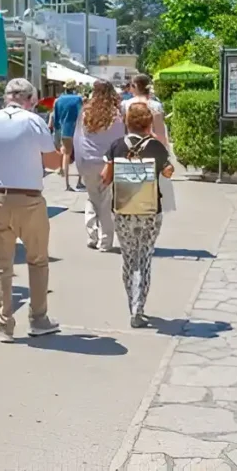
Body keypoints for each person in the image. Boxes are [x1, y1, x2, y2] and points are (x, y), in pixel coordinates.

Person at [0, 78, 60, 343]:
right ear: (30, 99)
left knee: (1, 266)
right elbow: (53, 163)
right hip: (29, 199)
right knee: (37, 260)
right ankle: (38, 318)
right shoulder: (33, 121)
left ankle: (5, 325)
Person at [101, 102, 174, 328]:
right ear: (148, 123)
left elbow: (105, 176)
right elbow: (168, 172)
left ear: (127, 122)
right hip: (150, 209)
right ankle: (138, 308)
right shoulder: (156, 146)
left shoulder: (116, 145)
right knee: (144, 258)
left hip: (123, 209)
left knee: (129, 258)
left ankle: (130, 303)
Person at [73, 80, 125, 252]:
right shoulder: (115, 114)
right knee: (106, 202)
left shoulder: (85, 112)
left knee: (92, 197)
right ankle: (105, 241)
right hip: (107, 162)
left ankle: (91, 235)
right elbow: (119, 141)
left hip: (87, 161)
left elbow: (77, 138)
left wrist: (79, 163)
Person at [49, 80, 84, 190]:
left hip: (64, 129)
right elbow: (82, 114)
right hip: (77, 129)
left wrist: (57, 129)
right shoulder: (78, 99)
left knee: (66, 154)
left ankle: (67, 184)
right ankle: (79, 181)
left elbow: (56, 116)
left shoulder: (58, 100)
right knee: (79, 154)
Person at [122, 74, 168, 148]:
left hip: (131, 146)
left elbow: (123, 129)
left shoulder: (126, 104)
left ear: (135, 86)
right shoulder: (156, 106)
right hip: (152, 146)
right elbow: (161, 135)